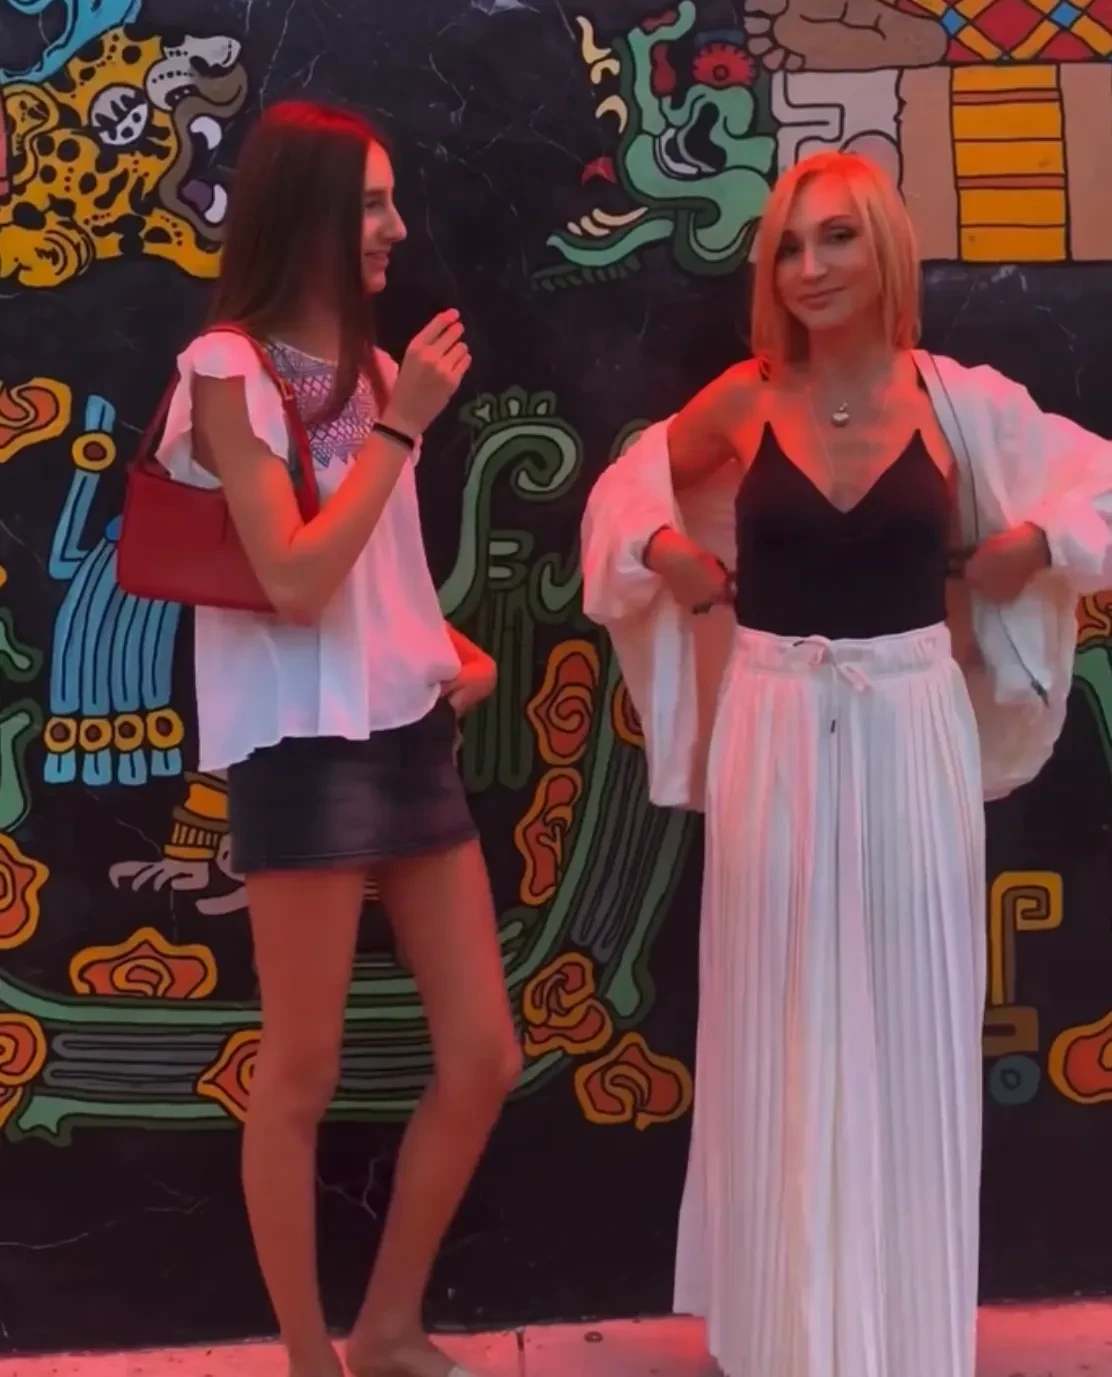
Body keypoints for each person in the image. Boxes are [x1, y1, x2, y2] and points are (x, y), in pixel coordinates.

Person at [581, 149, 1112, 1377]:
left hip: (913, 725)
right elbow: (619, 495)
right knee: (775, 1018)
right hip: (770, 728)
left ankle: (902, 1340)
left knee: (911, 1019)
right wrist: (662, 550)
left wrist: (1033, 543)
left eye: (834, 239)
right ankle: (782, 1338)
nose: (808, 268)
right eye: (787, 246)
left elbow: (1097, 486)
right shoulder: (742, 399)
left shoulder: (961, 404)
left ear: (885, 252)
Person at [157, 100, 521, 1377]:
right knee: (300, 1073)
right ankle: (311, 1358)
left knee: (481, 1054)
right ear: (306, 211)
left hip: (402, 729)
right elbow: (296, 579)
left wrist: (441, 648)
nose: (393, 228)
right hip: (300, 747)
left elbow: (374, 573)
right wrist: (403, 424)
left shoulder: (367, 371)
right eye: (369, 203)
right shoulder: (226, 371)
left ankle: (387, 1327)